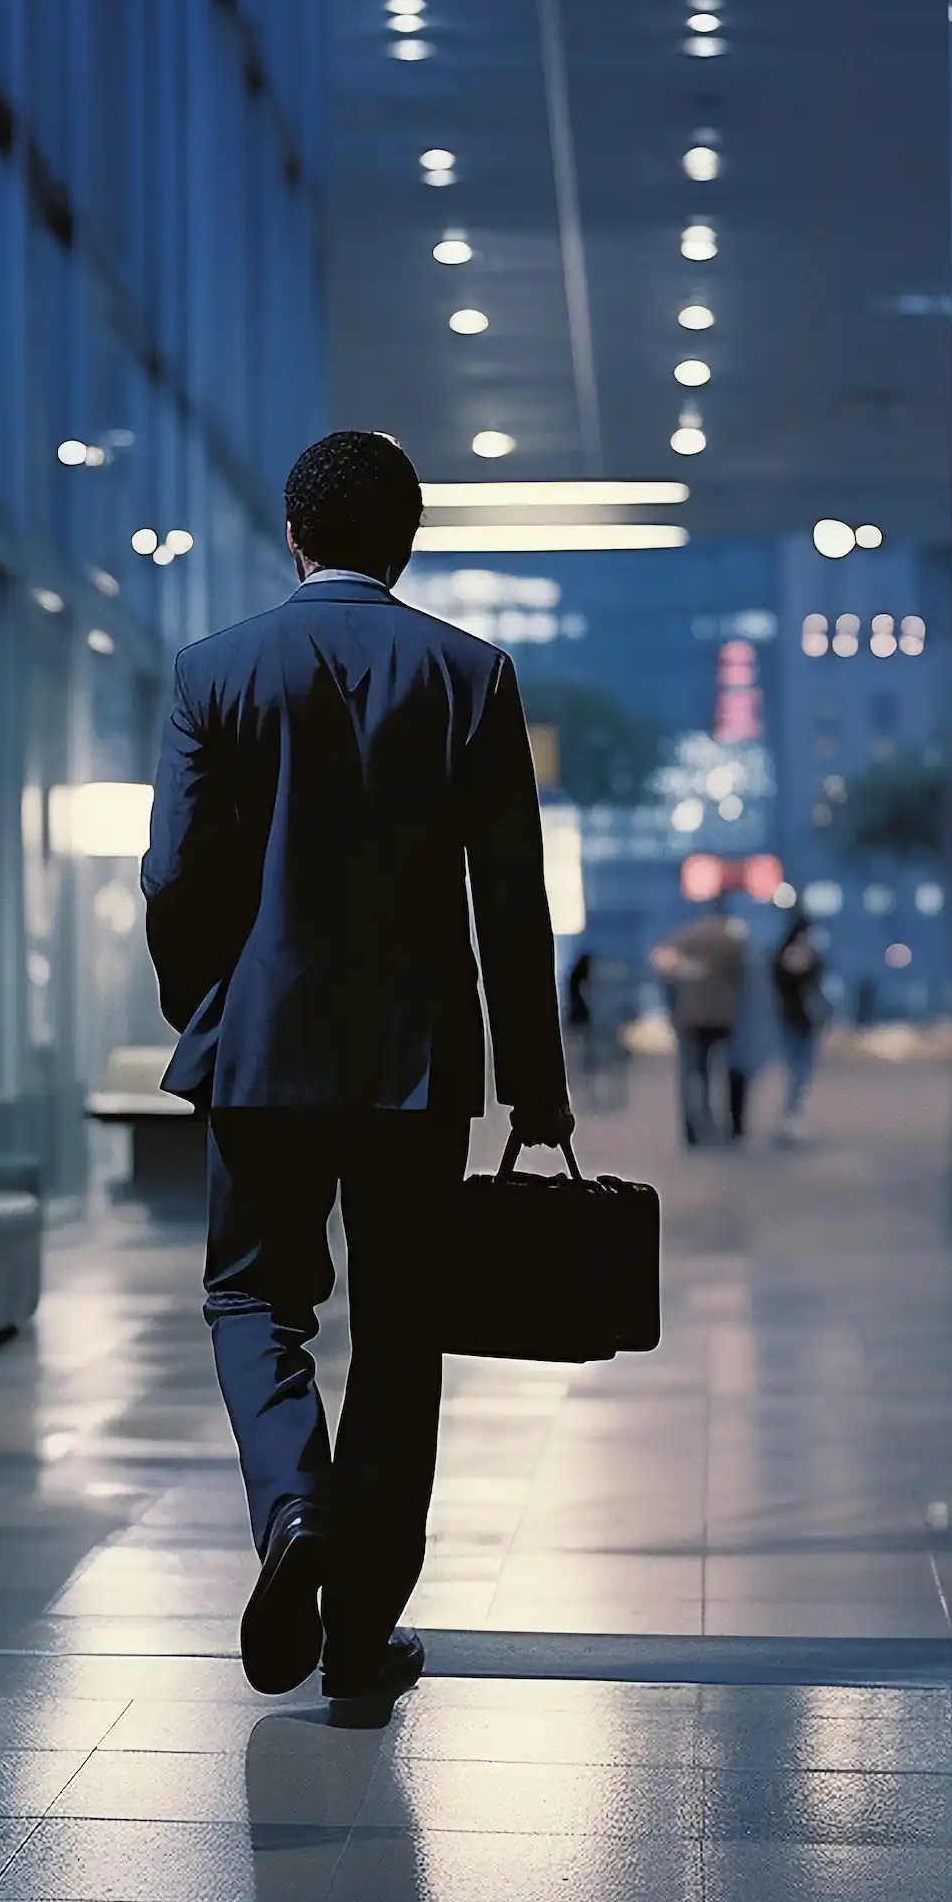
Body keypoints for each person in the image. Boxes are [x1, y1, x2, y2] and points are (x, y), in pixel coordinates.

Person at [142, 430, 573, 1709]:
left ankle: (293, 1513)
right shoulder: (471, 675)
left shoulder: (213, 669)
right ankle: (359, 1635)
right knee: (400, 1336)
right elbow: (511, 903)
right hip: (416, 1065)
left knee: (251, 1301)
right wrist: (534, 1082)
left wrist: (209, 1006)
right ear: (406, 543)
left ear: (295, 536)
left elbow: (172, 874)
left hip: (259, 1050)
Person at [652, 899, 749, 1146]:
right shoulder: (732, 942)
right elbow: (746, 980)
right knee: (724, 1072)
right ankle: (725, 1127)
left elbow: (664, 970)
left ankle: (692, 1130)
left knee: (691, 1075)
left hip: (690, 1017)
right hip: (724, 1017)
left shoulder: (685, 936)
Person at [770, 910, 826, 1144]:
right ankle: (789, 1119)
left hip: (795, 1020)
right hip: (798, 1020)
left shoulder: (781, 954)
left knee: (798, 1072)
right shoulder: (801, 956)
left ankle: (790, 1118)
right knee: (798, 1072)